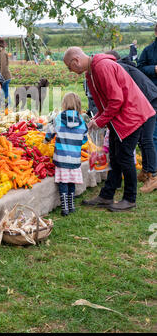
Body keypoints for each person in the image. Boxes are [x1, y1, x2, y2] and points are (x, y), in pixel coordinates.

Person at [63, 47, 155, 212]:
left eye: (69, 67)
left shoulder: (102, 67)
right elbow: (103, 102)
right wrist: (98, 118)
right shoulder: (91, 72)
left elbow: (116, 100)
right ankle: (106, 195)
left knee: (124, 157)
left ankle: (130, 198)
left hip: (130, 116)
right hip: (120, 118)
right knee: (114, 155)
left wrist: (101, 121)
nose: (71, 71)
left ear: (75, 61)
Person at [106, 50, 157, 193]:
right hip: (146, 99)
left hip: (149, 101)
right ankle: (146, 170)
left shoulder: (120, 68)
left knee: (147, 139)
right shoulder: (122, 66)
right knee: (142, 139)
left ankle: (153, 175)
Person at [44, 92, 88, 216]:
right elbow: (84, 138)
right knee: (71, 181)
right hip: (74, 158)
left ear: (64, 104)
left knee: (63, 182)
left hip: (61, 157)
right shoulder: (81, 120)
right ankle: (72, 205)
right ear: (78, 105)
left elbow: (50, 131)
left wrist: (46, 140)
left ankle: (65, 208)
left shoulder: (58, 118)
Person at [137, 24, 157, 157]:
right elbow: (139, 69)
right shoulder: (148, 50)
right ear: (156, 32)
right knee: (153, 132)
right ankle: (154, 165)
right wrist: (154, 69)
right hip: (153, 95)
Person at [0, 39, 12, 108]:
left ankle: (8, 106)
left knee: (5, 94)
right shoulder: (2, 52)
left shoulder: (2, 53)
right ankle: (8, 106)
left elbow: (3, 67)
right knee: (6, 93)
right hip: (5, 77)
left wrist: (0, 79)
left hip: (4, 77)